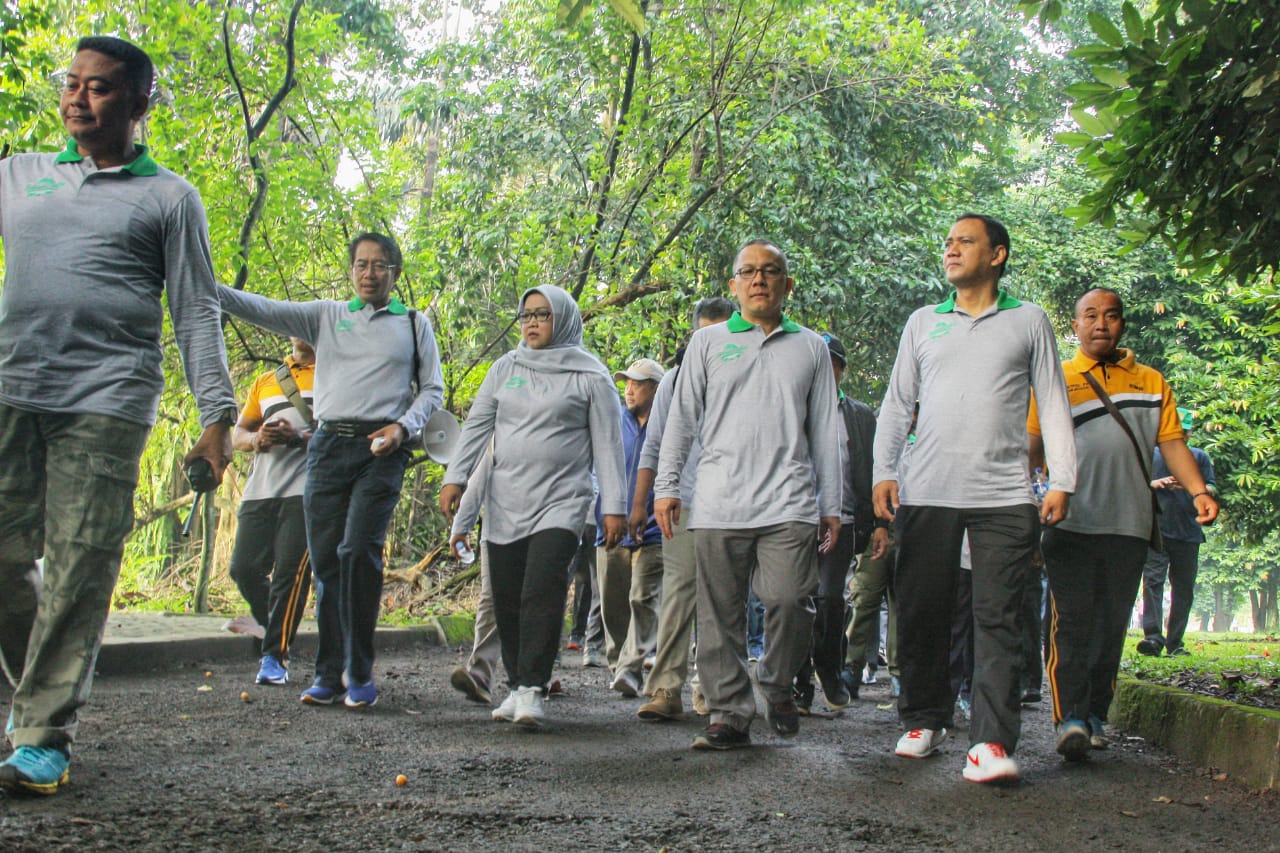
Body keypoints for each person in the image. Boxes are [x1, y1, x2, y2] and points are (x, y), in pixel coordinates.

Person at [0, 36, 237, 795]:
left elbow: (196, 309)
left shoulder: (168, 197)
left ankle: (42, 731)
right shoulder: (20, 177)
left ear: (139, 103)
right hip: (11, 387)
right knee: (5, 560)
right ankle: (35, 692)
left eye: (99, 88)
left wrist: (218, 416)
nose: (78, 98)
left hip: (106, 401)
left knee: (81, 560)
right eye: (72, 84)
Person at [873, 213, 1076, 784]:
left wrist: (1061, 479)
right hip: (928, 489)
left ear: (998, 255)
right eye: (948, 242)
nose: (952, 250)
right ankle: (924, 719)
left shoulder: (1028, 320)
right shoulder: (922, 322)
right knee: (922, 610)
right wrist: (883, 471)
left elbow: (1053, 401)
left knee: (999, 617)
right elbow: (896, 404)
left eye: (965, 241)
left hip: (1005, 494)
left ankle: (989, 742)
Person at [218, 232, 444, 709]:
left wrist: (403, 428)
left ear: (395, 273)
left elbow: (432, 392)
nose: (369, 273)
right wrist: (202, 286)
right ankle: (329, 671)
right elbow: (261, 308)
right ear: (351, 271)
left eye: (380, 265)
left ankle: (359, 669)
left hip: (380, 449)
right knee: (325, 562)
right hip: (326, 447)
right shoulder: (326, 316)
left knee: (358, 551)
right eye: (361, 265)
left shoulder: (413, 324)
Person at [655, 239, 842, 750]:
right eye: (749, 272)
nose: (759, 279)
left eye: (771, 271)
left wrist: (833, 503)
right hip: (719, 499)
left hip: (790, 500)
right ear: (734, 285)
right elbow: (681, 420)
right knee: (719, 613)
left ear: (788, 284)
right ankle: (729, 713)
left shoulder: (811, 348)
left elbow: (826, 429)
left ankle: (778, 682)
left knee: (788, 598)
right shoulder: (709, 344)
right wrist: (667, 485)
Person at [1031, 287, 1218, 760]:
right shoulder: (1056, 378)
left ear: (1123, 325)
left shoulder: (1152, 382)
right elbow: (1030, 449)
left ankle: (1095, 714)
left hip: (1130, 524)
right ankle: (1069, 717)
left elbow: (1172, 443)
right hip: (1068, 521)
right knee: (1069, 622)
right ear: (1073, 326)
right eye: (1090, 316)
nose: (1100, 324)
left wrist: (1199, 492)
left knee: (1111, 625)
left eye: (1110, 316)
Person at [439, 285, 626, 728]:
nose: (532, 323)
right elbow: (477, 428)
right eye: (526, 315)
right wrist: (455, 480)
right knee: (505, 597)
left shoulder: (591, 376)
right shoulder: (507, 368)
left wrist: (613, 508)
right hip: (506, 502)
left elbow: (609, 447)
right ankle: (515, 685)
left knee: (540, 590)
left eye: (543, 314)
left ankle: (533, 689)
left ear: (563, 318)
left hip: (562, 502)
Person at [632, 297, 735, 721]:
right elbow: (653, 444)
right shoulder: (674, 381)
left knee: (723, 599)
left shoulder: (745, 374)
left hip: (734, 503)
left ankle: (712, 691)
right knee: (678, 592)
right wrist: (641, 501)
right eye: (703, 334)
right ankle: (665, 688)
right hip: (685, 501)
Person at [792, 332, 872, 712]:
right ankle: (800, 680)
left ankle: (829, 669)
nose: (825, 371)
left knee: (828, 599)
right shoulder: (792, 408)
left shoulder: (859, 416)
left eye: (832, 364)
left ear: (841, 370)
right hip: (795, 520)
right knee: (795, 600)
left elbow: (868, 473)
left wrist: (877, 527)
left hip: (843, 521)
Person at [229, 337, 316, 686]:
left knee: (290, 574)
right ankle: (273, 631)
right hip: (261, 488)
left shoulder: (337, 376)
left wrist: (299, 436)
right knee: (244, 568)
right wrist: (256, 440)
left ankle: (274, 656)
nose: (300, 333)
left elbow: (345, 436)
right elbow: (238, 432)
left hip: (307, 488)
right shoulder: (266, 381)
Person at [598, 358, 665, 699]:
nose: (629, 389)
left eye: (637, 384)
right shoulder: (611, 422)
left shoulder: (668, 424)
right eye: (626, 383)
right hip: (610, 526)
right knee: (613, 603)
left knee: (643, 597)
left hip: (654, 529)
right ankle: (618, 663)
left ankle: (631, 667)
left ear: (655, 388)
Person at [1138, 409, 1217, 658]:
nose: (1180, 434)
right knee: (1153, 582)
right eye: (1176, 429)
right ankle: (1152, 638)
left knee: (1183, 588)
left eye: (1184, 430)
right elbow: (1135, 483)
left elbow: (1212, 487)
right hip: (1157, 531)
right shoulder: (1151, 454)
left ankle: (1175, 642)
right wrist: (1157, 483)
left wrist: (1193, 487)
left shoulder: (1199, 457)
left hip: (1189, 533)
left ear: (1190, 431)